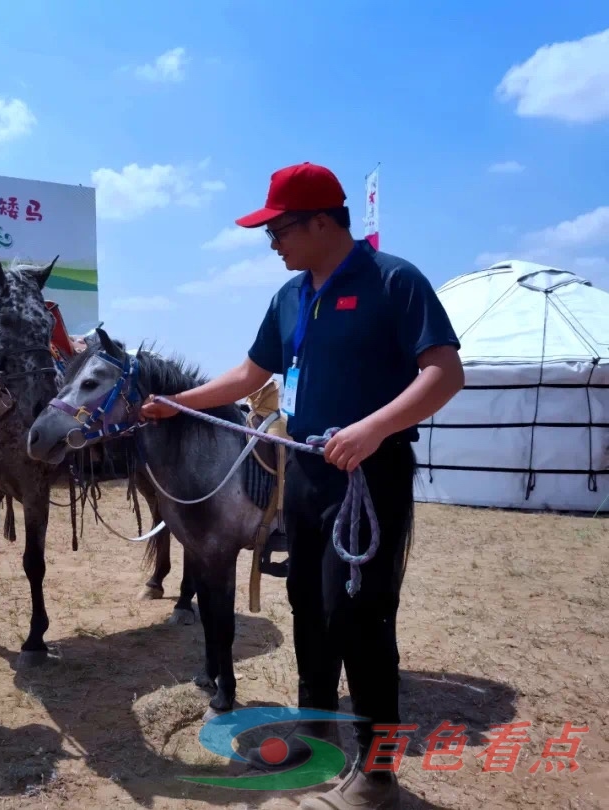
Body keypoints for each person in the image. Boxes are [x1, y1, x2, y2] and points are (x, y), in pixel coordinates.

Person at [139, 163, 464, 810]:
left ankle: (376, 778)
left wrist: (372, 429)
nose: (273, 244)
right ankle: (317, 735)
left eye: (279, 230)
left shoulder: (394, 281)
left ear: (322, 222)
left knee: (363, 617)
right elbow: (249, 372)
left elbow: (445, 372)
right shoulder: (289, 296)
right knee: (309, 607)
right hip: (308, 472)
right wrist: (179, 401)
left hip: (371, 474)